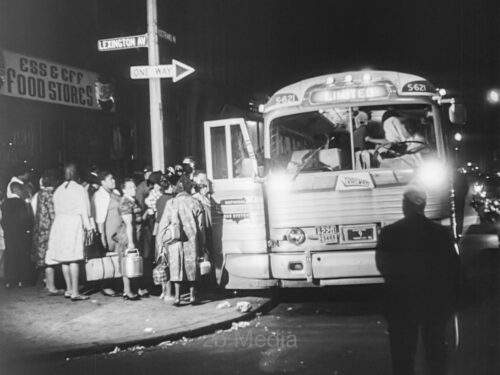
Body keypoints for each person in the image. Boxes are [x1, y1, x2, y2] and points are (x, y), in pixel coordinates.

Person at [375, 185, 460, 375]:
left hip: (400, 301)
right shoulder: (439, 233)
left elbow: (383, 265)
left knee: (402, 355)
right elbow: (452, 267)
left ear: (405, 206)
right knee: (435, 350)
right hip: (433, 300)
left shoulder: (390, 233)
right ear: (423, 206)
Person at [45, 163, 92, 301]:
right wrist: (89, 227)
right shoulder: (79, 189)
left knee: (64, 258)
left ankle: (69, 289)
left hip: (59, 224)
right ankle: (76, 292)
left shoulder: (58, 189)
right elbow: (85, 209)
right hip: (73, 223)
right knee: (74, 257)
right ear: (75, 173)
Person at [163, 175, 206, 306]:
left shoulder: (170, 203)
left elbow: (164, 224)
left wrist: (161, 242)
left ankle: (177, 297)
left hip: (174, 240)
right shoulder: (196, 202)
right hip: (192, 239)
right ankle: (192, 296)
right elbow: (201, 226)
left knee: (176, 266)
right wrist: (202, 243)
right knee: (192, 266)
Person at [31, 168, 62, 294]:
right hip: (49, 229)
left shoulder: (40, 193)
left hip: (40, 228)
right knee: (50, 258)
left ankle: (49, 285)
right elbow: (52, 213)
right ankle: (52, 286)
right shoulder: (50, 194)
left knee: (44, 259)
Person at [91, 170, 121, 297]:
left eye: (113, 178)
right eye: (110, 179)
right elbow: (100, 219)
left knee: (116, 256)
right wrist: (102, 236)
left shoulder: (115, 193)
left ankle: (115, 282)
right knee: (107, 257)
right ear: (102, 182)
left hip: (118, 231)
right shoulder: (100, 196)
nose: (113, 181)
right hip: (108, 230)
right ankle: (106, 285)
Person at [114, 178, 142, 301]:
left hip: (135, 233)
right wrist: (131, 242)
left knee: (132, 262)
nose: (134, 189)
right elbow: (128, 223)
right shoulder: (125, 202)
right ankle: (127, 290)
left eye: (134, 187)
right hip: (127, 235)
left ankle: (134, 288)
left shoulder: (132, 201)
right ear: (124, 189)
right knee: (126, 262)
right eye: (130, 187)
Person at [1, 182, 34, 288]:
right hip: (21, 234)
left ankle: (9, 281)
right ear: (17, 190)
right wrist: (27, 229)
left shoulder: (4, 203)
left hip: (9, 234)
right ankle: (23, 280)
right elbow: (26, 219)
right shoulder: (22, 203)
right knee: (22, 256)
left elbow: (2, 220)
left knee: (10, 255)